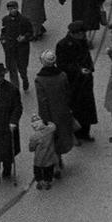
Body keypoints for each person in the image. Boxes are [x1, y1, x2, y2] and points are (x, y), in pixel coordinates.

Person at [55, 20, 98, 143]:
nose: (84, 36)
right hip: (73, 82)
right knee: (75, 108)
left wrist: (90, 68)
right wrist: (79, 70)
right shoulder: (62, 45)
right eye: (82, 33)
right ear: (75, 33)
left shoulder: (82, 42)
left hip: (85, 81)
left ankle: (85, 133)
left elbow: (87, 57)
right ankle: (75, 134)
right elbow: (62, 65)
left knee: (87, 107)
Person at [34, 49, 74, 177]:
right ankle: (59, 159)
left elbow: (42, 101)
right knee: (60, 137)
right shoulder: (62, 75)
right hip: (62, 112)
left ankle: (55, 166)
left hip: (49, 114)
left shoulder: (40, 79)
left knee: (50, 140)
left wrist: (44, 118)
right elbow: (67, 93)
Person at [0, 0, 34, 91]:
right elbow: (3, 31)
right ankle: (15, 89)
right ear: (8, 10)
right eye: (10, 9)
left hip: (21, 49)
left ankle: (24, 79)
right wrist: (3, 39)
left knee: (22, 68)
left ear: (17, 8)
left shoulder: (24, 20)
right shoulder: (5, 20)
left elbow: (31, 33)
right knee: (12, 70)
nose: (12, 10)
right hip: (10, 48)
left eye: (14, 8)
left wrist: (24, 37)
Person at [29, 113, 58, 190]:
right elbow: (52, 124)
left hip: (38, 159)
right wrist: (47, 122)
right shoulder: (51, 129)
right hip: (49, 157)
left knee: (37, 171)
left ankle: (40, 182)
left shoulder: (34, 137)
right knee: (48, 171)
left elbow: (31, 148)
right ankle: (47, 182)